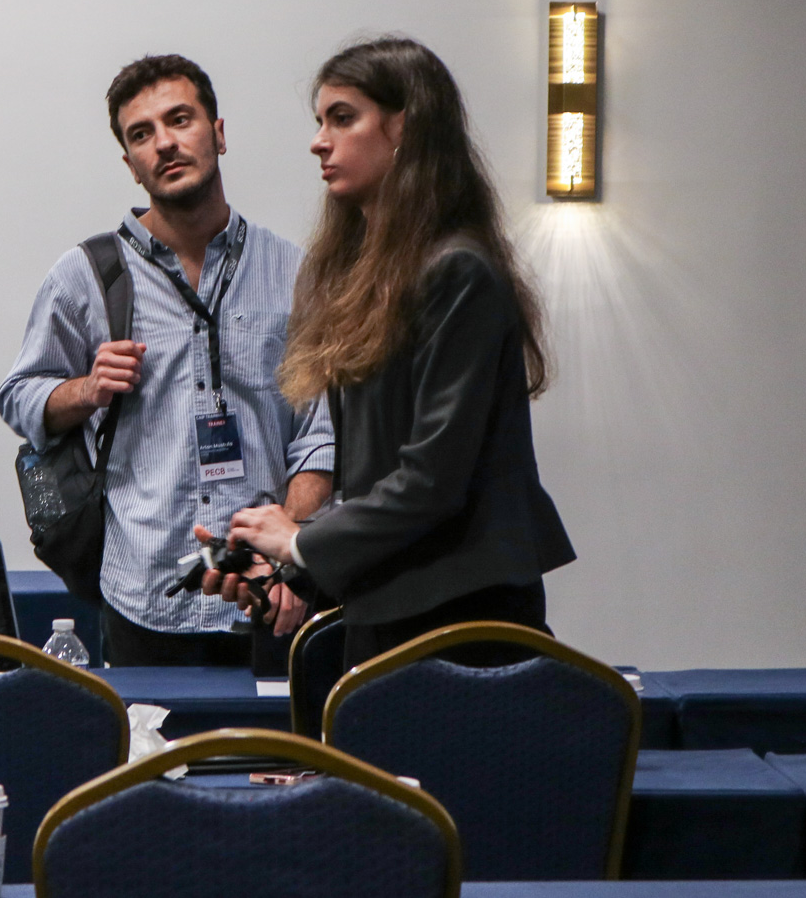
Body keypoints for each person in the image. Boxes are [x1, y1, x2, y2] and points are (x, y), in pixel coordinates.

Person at [224, 36, 576, 667]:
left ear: (405, 129)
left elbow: (430, 481)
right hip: (394, 605)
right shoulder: (373, 276)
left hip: (463, 615)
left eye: (343, 118)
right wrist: (281, 563)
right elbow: (373, 483)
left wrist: (300, 542)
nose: (319, 142)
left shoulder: (458, 271)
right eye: (320, 121)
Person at [0, 54, 335, 666]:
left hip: (266, 595)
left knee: (278, 735)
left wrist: (286, 552)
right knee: (149, 735)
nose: (164, 143)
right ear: (131, 165)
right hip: (142, 597)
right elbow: (19, 397)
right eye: (141, 134)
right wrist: (86, 390)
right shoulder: (87, 275)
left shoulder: (293, 272)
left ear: (219, 133)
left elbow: (320, 435)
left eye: (180, 120)